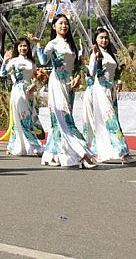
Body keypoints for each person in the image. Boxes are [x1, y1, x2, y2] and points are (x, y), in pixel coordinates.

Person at [33, 14, 98, 169]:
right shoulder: (52, 44)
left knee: (59, 121)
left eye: (66, 23)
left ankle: (51, 154)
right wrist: (38, 45)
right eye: (61, 23)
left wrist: (78, 76)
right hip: (57, 84)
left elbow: (78, 65)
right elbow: (43, 61)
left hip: (70, 85)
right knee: (64, 119)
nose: (64, 26)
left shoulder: (71, 45)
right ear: (54, 26)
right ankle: (83, 155)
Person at [83, 28, 136, 164]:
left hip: (110, 90)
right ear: (96, 39)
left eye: (106, 38)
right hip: (100, 89)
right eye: (101, 37)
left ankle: (97, 151)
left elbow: (115, 72)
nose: (104, 40)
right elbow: (91, 72)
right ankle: (123, 152)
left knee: (103, 121)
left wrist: (119, 81)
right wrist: (96, 60)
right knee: (110, 119)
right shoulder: (95, 53)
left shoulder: (110, 54)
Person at [0, 38, 44, 156]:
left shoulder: (31, 62)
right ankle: (33, 146)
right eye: (20, 46)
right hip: (18, 91)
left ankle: (18, 145)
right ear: (17, 48)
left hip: (29, 93)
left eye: (25, 46)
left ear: (28, 48)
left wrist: (34, 84)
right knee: (21, 118)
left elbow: (38, 77)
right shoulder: (13, 61)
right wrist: (5, 61)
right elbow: (2, 74)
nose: (23, 48)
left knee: (28, 117)